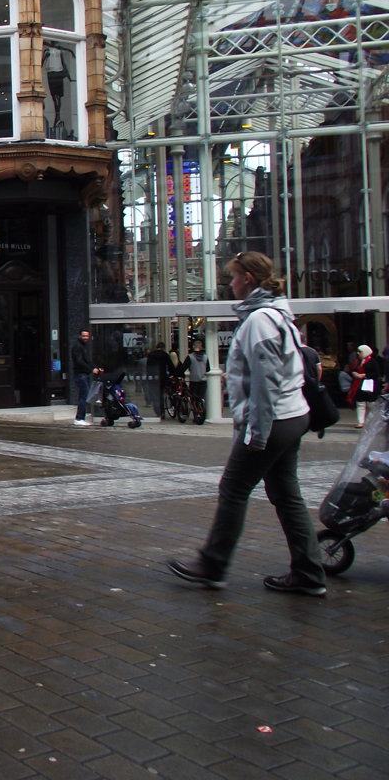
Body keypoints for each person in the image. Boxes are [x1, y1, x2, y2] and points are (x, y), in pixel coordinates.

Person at [168, 251, 324, 597]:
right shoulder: (280, 314)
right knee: (286, 494)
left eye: (233, 277)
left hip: (274, 419)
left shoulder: (259, 320)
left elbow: (266, 382)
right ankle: (309, 572)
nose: (231, 283)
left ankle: (213, 565)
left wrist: (257, 433)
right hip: (292, 415)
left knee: (234, 489)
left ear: (248, 279)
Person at [70, 328, 102, 426]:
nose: (85, 338)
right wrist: (92, 369)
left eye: (87, 336)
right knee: (84, 396)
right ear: (80, 336)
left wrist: (95, 368)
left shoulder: (83, 346)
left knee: (84, 395)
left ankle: (80, 418)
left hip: (84, 374)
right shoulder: (78, 347)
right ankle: (79, 418)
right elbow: (80, 362)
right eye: (84, 336)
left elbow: (87, 360)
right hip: (81, 374)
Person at [348, 344, 383, 428]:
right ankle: (361, 422)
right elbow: (351, 370)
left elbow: (376, 373)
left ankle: (372, 421)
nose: (358, 353)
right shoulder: (357, 362)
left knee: (371, 404)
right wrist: (354, 373)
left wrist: (364, 375)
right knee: (360, 403)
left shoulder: (372, 361)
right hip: (358, 385)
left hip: (370, 385)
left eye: (360, 352)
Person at [145, 342, 171, 417]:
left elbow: (148, 367)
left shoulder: (151, 355)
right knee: (161, 394)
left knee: (155, 395)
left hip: (154, 377)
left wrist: (148, 376)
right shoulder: (165, 355)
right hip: (162, 377)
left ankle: (157, 411)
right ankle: (162, 411)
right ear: (163, 348)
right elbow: (170, 366)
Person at [182, 339, 209, 404]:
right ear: (201, 347)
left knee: (193, 396)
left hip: (194, 380)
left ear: (193, 347)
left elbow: (183, 367)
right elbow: (208, 369)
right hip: (203, 381)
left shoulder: (190, 357)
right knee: (201, 396)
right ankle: (201, 404)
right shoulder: (205, 357)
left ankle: (195, 408)